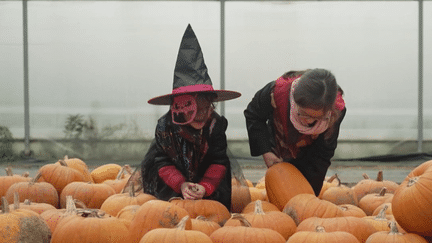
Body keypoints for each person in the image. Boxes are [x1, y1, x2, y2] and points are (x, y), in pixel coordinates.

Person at [141, 24, 241, 210]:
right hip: (171, 174)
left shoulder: (216, 125)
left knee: (213, 207)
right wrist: (181, 184)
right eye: (195, 109)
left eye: (207, 108)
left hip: (207, 173)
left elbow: (218, 161)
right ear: (178, 107)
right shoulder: (165, 126)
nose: (202, 115)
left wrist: (205, 186)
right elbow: (163, 161)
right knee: (167, 209)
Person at [244, 69, 346, 196]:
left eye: (316, 118)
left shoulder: (336, 112)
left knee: (304, 193)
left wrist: (308, 197)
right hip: (281, 142)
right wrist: (266, 151)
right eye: (303, 113)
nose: (307, 121)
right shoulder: (275, 93)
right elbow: (253, 115)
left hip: (311, 150)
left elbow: (322, 155)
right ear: (295, 101)